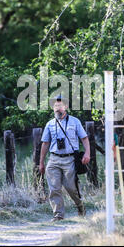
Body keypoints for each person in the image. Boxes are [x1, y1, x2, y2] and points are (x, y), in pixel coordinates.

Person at [39, 94, 91, 222]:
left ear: (66, 107)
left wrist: (87, 153)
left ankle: (80, 206)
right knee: (54, 188)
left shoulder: (75, 121)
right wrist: (41, 162)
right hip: (54, 159)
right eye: (55, 106)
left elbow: (84, 138)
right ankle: (58, 215)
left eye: (60, 106)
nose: (57, 108)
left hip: (70, 159)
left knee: (71, 188)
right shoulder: (50, 124)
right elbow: (45, 143)